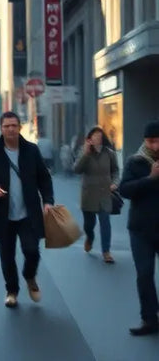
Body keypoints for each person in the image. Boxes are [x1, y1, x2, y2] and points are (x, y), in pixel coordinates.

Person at [0, 111, 54, 308]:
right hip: (3, 214)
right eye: (6, 126)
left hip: (28, 213)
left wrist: (48, 201)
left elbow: (44, 178)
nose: (10, 129)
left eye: (14, 125)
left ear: (19, 127)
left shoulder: (31, 151)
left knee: (32, 251)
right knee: (7, 256)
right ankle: (11, 291)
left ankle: (29, 276)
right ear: (1, 129)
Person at [119, 120, 159, 336]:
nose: (154, 146)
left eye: (157, 141)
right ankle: (149, 319)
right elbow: (125, 190)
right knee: (144, 274)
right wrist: (151, 179)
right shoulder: (135, 161)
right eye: (150, 141)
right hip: (140, 229)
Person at [73, 126, 119, 264]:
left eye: (99, 136)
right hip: (89, 194)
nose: (97, 139)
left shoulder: (109, 153)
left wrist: (115, 183)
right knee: (89, 224)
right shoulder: (84, 152)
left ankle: (106, 252)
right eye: (94, 136)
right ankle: (89, 237)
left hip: (105, 193)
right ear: (90, 139)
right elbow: (77, 169)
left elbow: (116, 171)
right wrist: (86, 154)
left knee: (105, 223)